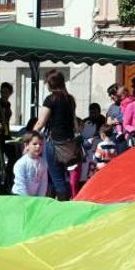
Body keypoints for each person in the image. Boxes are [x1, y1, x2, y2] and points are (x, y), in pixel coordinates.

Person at [30, 71, 81, 201]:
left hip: (54, 143)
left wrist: (30, 137)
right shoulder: (70, 99)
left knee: (56, 178)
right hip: (69, 143)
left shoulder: (51, 99)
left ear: (51, 84)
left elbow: (41, 123)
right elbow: (74, 123)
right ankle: (64, 200)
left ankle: (61, 206)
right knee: (64, 177)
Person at [0, 82, 17, 194]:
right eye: (2, 92)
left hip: (6, 134)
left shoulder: (8, 104)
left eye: (6, 92)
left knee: (13, 156)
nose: (3, 94)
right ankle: (0, 186)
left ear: (10, 93)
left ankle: (8, 180)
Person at [11, 132, 48, 197]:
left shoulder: (43, 163)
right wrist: (27, 199)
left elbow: (43, 182)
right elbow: (20, 183)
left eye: (40, 144)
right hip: (19, 195)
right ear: (26, 146)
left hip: (33, 197)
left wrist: (40, 198)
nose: (38, 146)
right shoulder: (21, 163)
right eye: (34, 144)